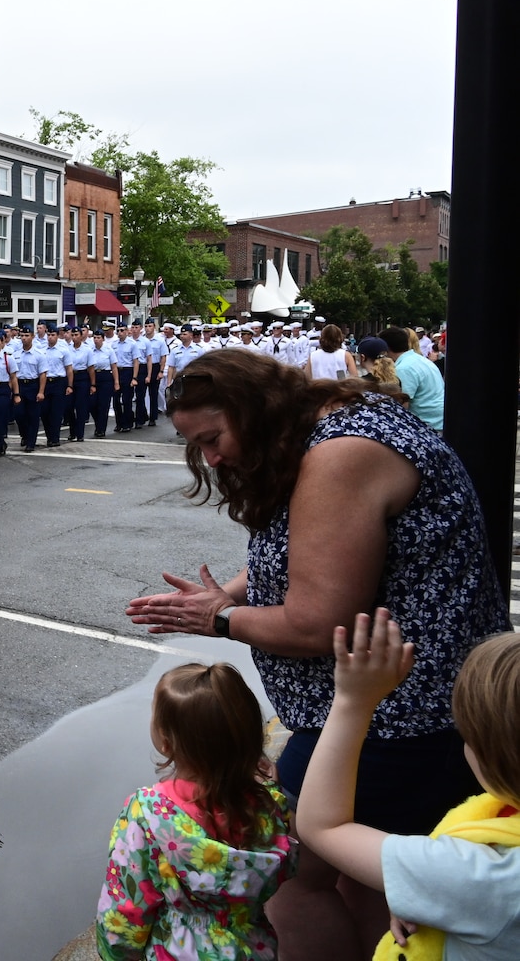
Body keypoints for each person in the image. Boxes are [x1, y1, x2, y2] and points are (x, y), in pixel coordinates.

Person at [125, 348, 510, 958]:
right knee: (367, 887)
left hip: (393, 720)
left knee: (291, 882)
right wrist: (226, 591)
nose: (211, 458)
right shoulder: (325, 426)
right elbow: (318, 553)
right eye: (196, 445)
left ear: (252, 407)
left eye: (214, 437)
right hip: (380, 713)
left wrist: (219, 618)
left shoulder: (339, 454)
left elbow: (316, 621)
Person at [297, 613, 520, 960]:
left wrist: (353, 702)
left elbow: (322, 826)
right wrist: (428, 893)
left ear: (493, 757)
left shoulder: (484, 875)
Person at [96, 662, 295, 960]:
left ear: (165, 740)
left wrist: (115, 953)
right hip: (251, 947)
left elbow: (127, 902)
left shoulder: (148, 813)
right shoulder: (269, 804)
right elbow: (285, 868)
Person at [382, 326, 445, 432]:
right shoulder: (419, 360)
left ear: (386, 348)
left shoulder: (404, 368)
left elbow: (403, 403)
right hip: (438, 420)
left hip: (427, 425)